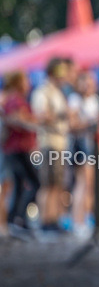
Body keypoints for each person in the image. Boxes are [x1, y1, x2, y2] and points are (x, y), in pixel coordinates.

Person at [30, 58, 71, 233]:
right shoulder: (43, 92)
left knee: (57, 184)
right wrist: (60, 115)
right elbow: (41, 116)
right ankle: (45, 221)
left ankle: (53, 219)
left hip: (59, 143)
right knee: (48, 184)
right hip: (49, 143)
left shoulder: (57, 92)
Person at [2, 71, 40, 233]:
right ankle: (19, 218)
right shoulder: (14, 100)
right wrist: (35, 121)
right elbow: (17, 121)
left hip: (18, 148)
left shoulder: (15, 100)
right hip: (17, 148)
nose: (28, 83)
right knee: (33, 182)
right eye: (25, 80)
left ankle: (14, 220)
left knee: (19, 184)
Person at [67, 71, 99, 237]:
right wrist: (89, 123)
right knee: (83, 183)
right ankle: (78, 221)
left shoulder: (94, 100)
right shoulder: (75, 100)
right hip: (79, 146)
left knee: (90, 184)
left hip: (91, 145)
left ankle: (87, 219)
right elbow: (73, 124)